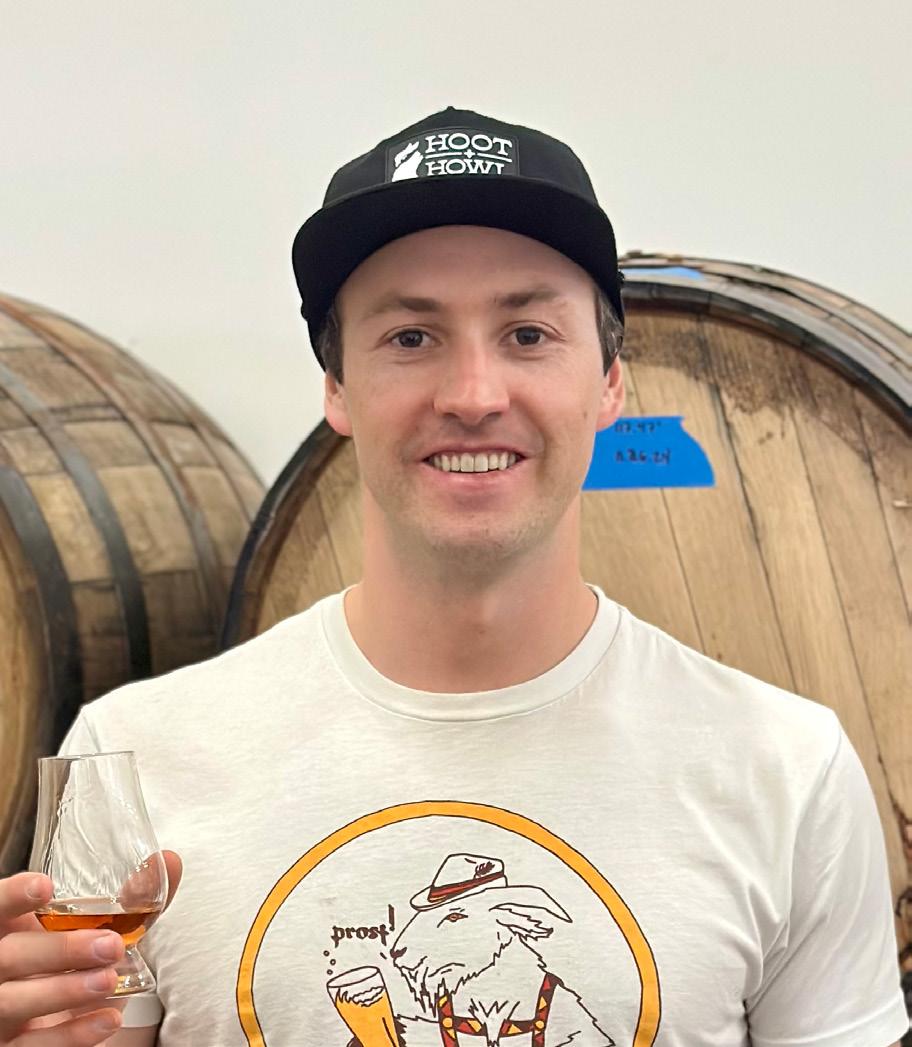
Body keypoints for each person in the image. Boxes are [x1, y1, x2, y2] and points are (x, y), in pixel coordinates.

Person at [0, 107, 906, 1047]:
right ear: (337, 388)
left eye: (528, 333)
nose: (474, 395)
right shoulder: (132, 756)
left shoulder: (787, 770)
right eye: (411, 337)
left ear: (609, 382)